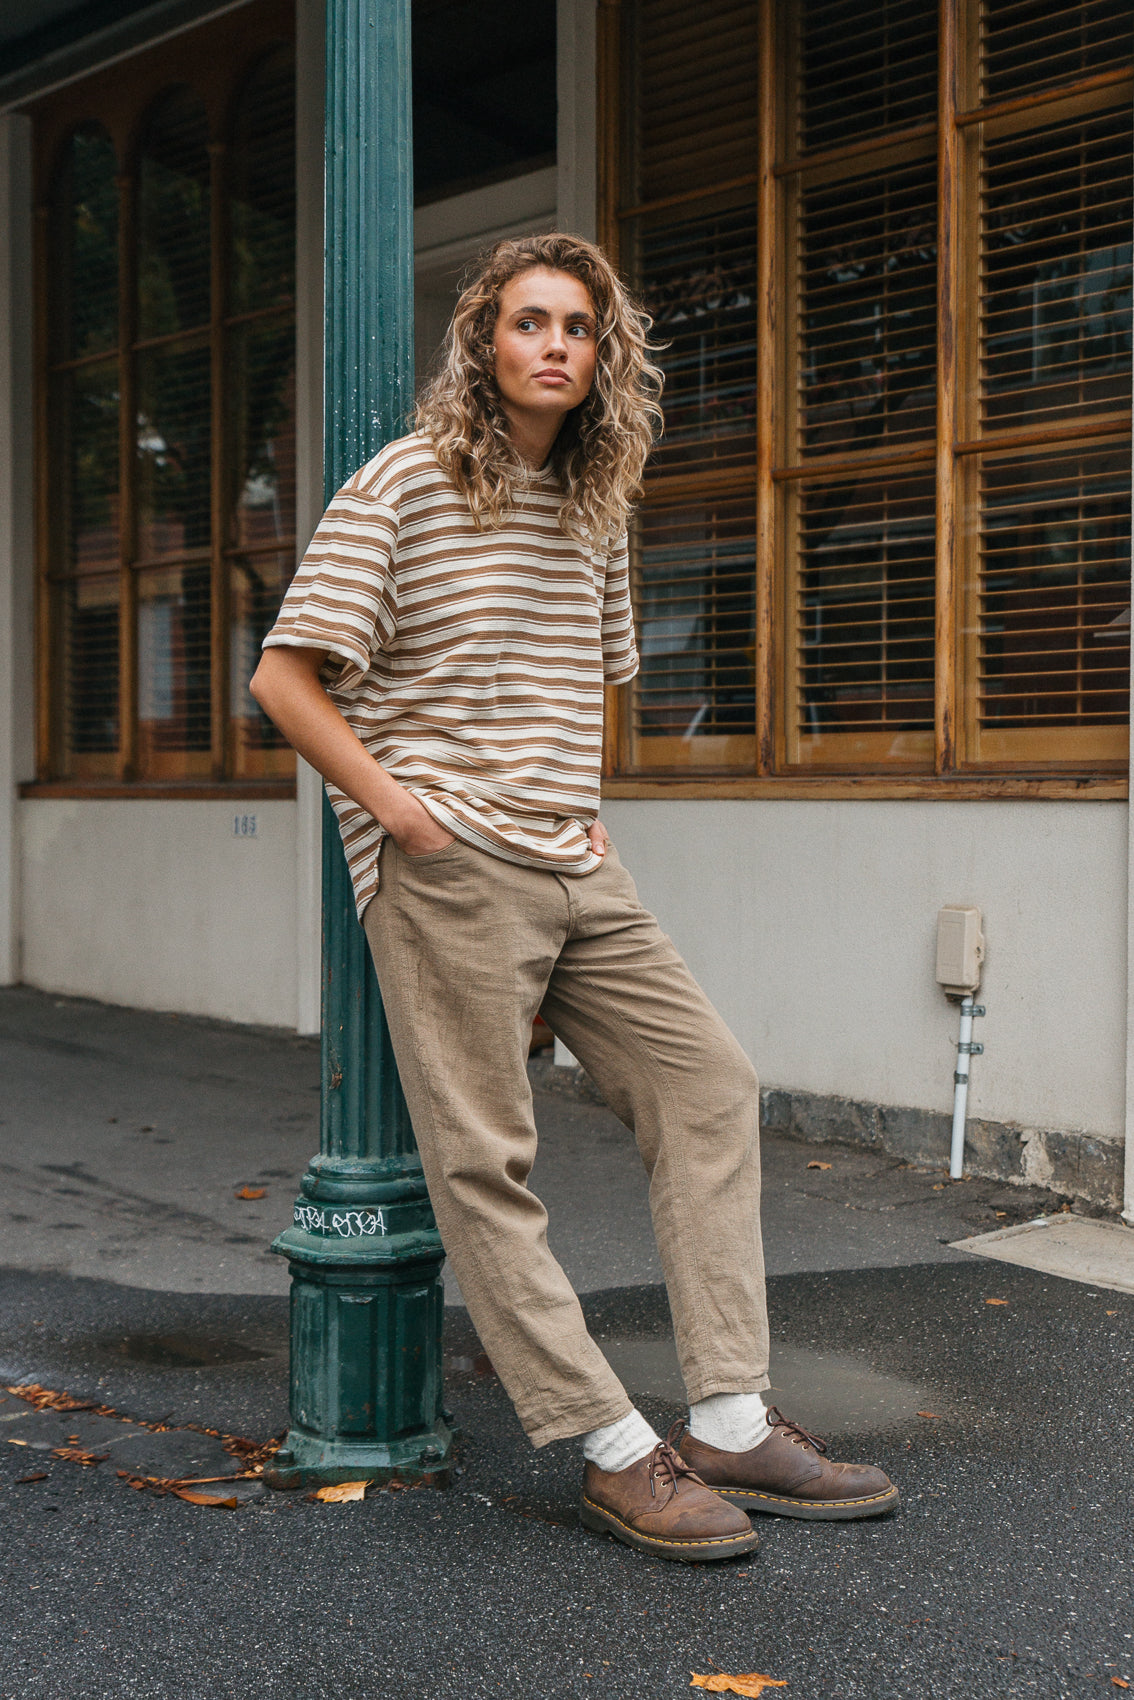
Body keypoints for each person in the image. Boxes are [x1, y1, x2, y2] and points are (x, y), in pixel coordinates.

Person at [250, 232, 898, 1563]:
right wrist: (403, 815)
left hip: (570, 859)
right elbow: (286, 679)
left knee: (706, 1080)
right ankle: (610, 1447)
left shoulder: (597, 498)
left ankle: (724, 1415)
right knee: (487, 1165)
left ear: (605, 356)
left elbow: (577, 682)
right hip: (445, 868)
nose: (554, 344)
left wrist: (583, 819)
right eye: (529, 321)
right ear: (485, 341)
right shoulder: (405, 485)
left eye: (579, 328)